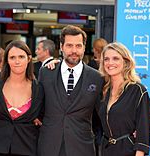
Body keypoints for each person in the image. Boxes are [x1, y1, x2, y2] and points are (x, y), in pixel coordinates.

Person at [37, 25, 103, 156]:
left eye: (78, 46)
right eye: (69, 45)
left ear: (84, 48)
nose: (74, 50)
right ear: (61, 47)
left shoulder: (97, 77)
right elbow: (38, 106)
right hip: (49, 146)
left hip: (82, 147)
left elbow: (102, 114)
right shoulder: (46, 73)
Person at [0, 40, 44, 156]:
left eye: (21, 57)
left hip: (27, 148)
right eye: (12, 57)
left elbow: (42, 115)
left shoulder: (39, 88)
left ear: (29, 58)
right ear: (6, 60)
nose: (17, 61)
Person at [98, 42, 150, 156]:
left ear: (125, 61)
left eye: (115, 58)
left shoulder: (138, 90)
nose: (110, 63)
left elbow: (143, 134)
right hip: (105, 151)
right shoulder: (102, 89)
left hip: (128, 151)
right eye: (106, 59)